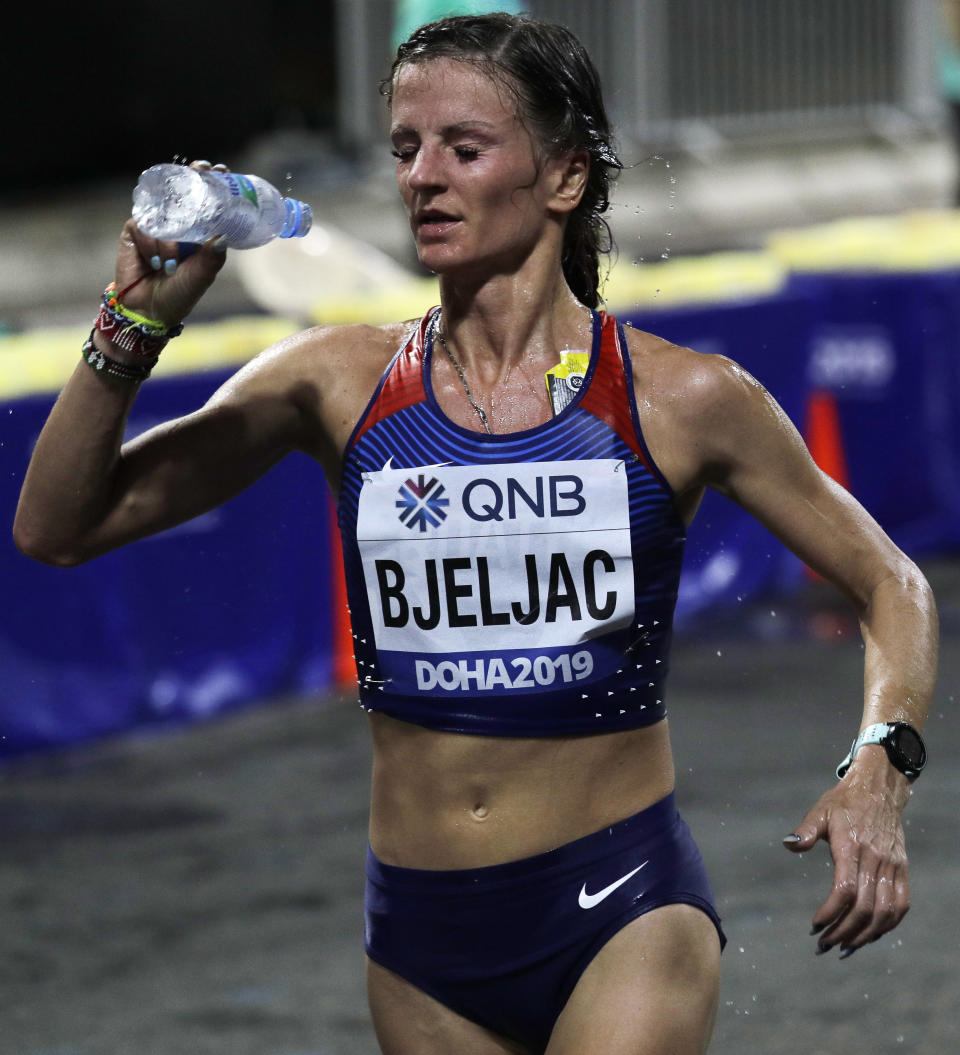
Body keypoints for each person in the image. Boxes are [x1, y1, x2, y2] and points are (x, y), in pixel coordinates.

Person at [13, 13, 937, 1055]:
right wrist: (130, 326)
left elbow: (892, 581)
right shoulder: (336, 381)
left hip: (622, 905)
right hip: (421, 939)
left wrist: (879, 765)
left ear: (565, 179)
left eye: (463, 147)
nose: (422, 178)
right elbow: (56, 526)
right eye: (406, 150)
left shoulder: (683, 398)